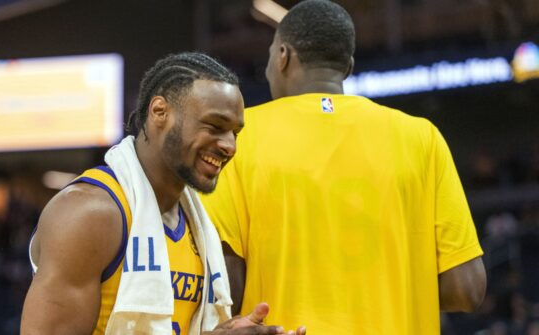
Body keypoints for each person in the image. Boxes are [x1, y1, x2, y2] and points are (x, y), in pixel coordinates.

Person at [200, 1, 487, 333]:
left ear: (282, 56)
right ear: (347, 66)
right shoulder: (423, 138)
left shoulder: (239, 138)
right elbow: (467, 289)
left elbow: (223, 291)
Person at [20, 52, 303, 335]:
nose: (229, 146)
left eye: (235, 133)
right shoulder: (89, 213)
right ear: (159, 112)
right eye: (215, 127)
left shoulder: (199, 226)